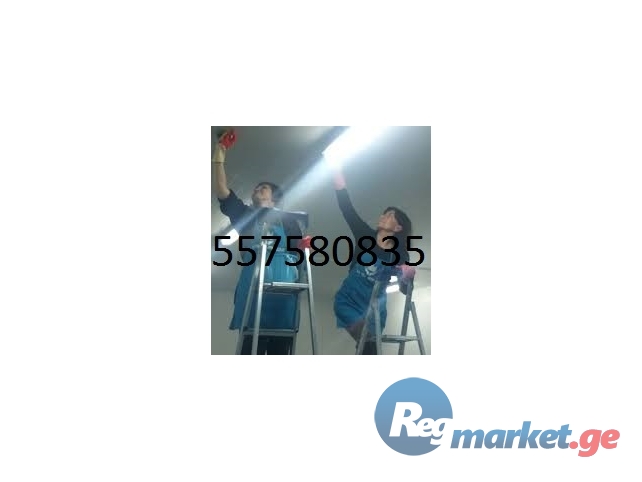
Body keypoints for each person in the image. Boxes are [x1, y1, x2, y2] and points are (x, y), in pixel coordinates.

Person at [213, 131, 303, 355]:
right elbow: (222, 191)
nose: (256, 189)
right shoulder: (244, 215)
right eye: (256, 188)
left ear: (274, 198)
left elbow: (298, 257)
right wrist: (219, 155)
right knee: (249, 351)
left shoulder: (289, 220)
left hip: (283, 296)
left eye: (263, 188)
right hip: (252, 293)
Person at [331, 167, 416, 355]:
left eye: (390, 215)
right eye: (383, 213)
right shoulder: (365, 236)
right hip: (348, 300)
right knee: (369, 344)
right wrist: (336, 173)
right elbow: (347, 208)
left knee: (367, 349)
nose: (383, 216)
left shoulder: (400, 254)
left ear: (398, 227)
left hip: (375, 309)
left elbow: (405, 289)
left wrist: (407, 276)